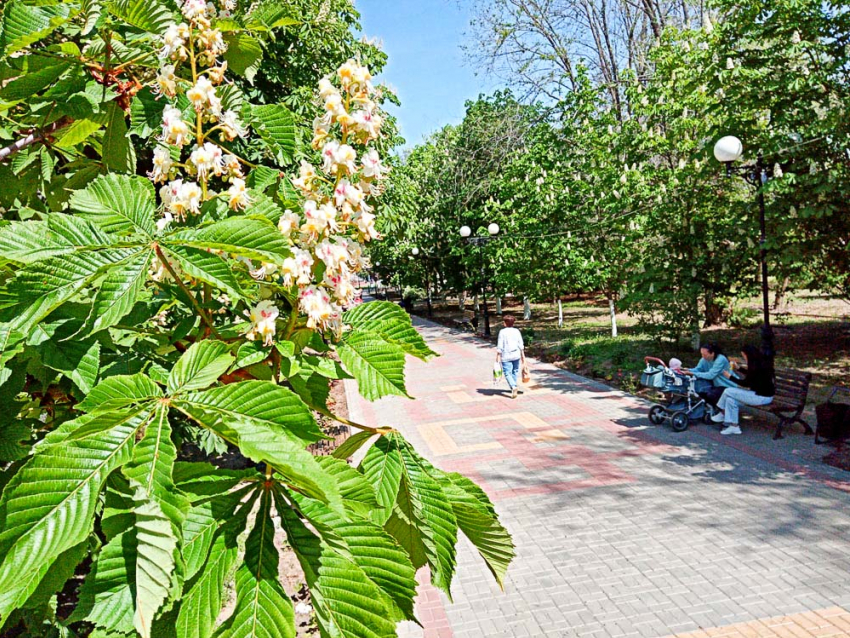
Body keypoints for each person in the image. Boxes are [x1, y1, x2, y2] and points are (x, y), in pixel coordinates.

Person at [710, 345, 775, 435]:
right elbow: (752, 376)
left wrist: (730, 377)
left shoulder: (757, 366)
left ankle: (722, 411)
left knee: (728, 391)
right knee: (730, 400)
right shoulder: (759, 363)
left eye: (743, 355)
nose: (743, 358)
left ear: (748, 355)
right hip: (759, 394)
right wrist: (739, 368)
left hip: (762, 397)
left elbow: (746, 383)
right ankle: (734, 426)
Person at [680, 342, 738, 408]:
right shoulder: (704, 359)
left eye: (704, 354)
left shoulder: (720, 359)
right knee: (700, 391)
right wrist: (686, 370)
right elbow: (698, 369)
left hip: (727, 384)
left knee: (711, 394)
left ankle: (722, 410)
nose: (703, 356)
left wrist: (692, 373)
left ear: (712, 353)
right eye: (702, 354)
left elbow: (710, 375)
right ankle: (712, 408)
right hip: (716, 385)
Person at [496, 314, 525, 399]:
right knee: (515, 371)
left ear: (505, 323)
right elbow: (521, 343)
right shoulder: (516, 331)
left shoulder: (502, 332)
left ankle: (513, 386)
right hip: (516, 355)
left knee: (507, 372)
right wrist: (523, 355)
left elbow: (500, 345)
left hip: (506, 355)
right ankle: (514, 386)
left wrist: (498, 355)